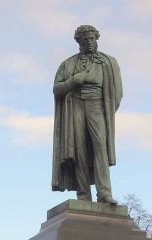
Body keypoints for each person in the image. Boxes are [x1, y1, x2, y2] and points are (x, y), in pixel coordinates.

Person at [52, 25, 123, 205]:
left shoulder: (109, 62)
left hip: (98, 105)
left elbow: (117, 93)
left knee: (100, 147)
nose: (89, 42)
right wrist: (75, 79)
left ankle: (104, 193)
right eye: (85, 39)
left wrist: (107, 112)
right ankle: (83, 195)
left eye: (92, 39)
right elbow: (57, 89)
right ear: (79, 42)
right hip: (75, 105)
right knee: (79, 149)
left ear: (96, 39)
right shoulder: (68, 64)